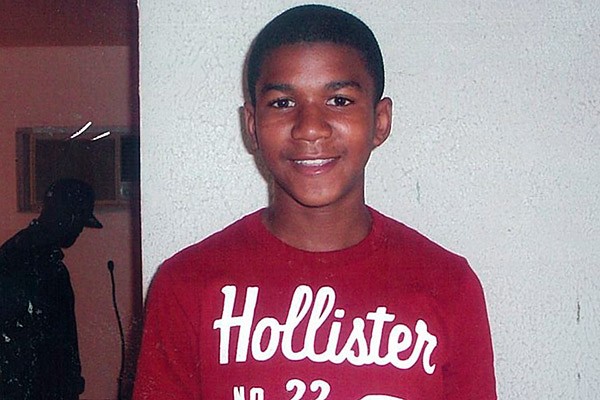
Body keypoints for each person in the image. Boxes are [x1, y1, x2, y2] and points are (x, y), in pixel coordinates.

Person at [133, 4, 497, 399]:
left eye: (339, 100)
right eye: (282, 103)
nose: (309, 128)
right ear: (252, 126)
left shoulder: (449, 285)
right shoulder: (186, 284)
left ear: (380, 121)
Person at [0, 178, 103, 400]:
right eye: (80, 222)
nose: (80, 231)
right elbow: (50, 345)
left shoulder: (19, 251)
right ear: (70, 217)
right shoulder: (41, 265)